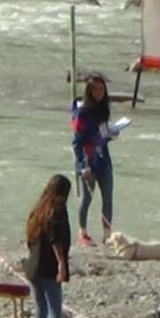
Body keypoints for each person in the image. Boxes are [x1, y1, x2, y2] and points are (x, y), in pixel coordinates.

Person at [25, 174, 74, 318]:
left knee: (41, 310)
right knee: (54, 310)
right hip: (48, 267)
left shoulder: (37, 210)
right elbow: (56, 240)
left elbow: (30, 239)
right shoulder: (57, 211)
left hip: (33, 267)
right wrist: (61, 263)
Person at [71, 72, 118, 246]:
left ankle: (107, 235)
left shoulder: (104, 109)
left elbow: (102, 133)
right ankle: (82, 233)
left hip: (104, 159)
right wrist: (82, 166)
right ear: (89, 92)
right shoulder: (81, 113)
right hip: (88, 160)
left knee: (108, 197)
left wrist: (110, 135)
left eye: (102, 90)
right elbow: (77, 142)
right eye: (95, 90)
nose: (99, 93)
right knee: (87, 198)